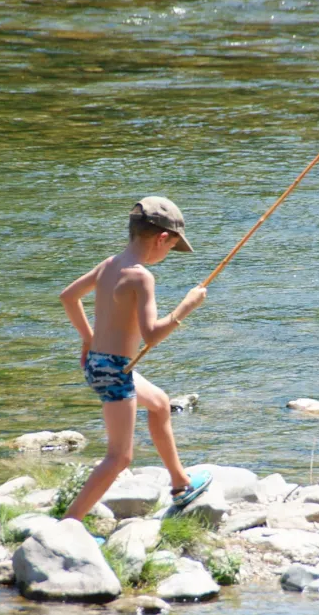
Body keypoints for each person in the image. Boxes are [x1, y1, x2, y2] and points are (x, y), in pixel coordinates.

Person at [59, 196, 213, 521]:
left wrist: (88, 338)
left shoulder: (109, 263)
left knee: (159, 403)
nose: (169, 253)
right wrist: (188, 304)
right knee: (119, 457)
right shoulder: (141, 277)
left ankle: (180, 482)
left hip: (99, 363)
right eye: (171, 246)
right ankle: (68, 524)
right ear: (161, 238)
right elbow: (152, 335)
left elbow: (68, 297)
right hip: (114, 371)